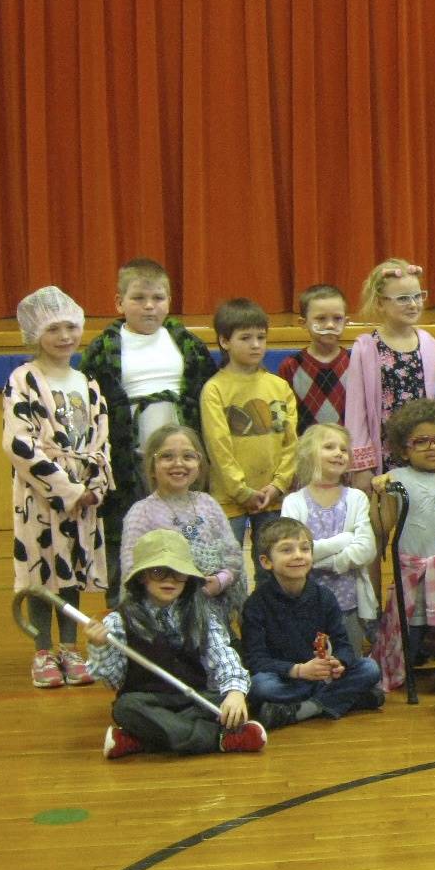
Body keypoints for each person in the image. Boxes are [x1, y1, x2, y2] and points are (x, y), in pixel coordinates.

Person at [83, 257, 217, 603]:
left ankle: (189, 611)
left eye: (157, 298)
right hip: (128, 467)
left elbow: (207, 400)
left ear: (169, 302)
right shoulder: (104, 350)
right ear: (119, 303)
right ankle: (124, 613)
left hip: (180, 467)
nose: (149, 306)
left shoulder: (186, 345)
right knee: (126, 536)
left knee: (184, 536)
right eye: (139, 298)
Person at [4, 286, 112, 687]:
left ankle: (70, 646)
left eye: (71, 326)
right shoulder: (24, 379)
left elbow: (101, 441)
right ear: (35, 333)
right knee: (40, 569)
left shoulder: (88, 382)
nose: (64, 336)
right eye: (54, 328)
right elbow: (19, 443)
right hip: (41, 497)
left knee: (72, 569)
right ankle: (43, 651)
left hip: (83, 499)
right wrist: (66, 488)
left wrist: (94, 487)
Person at [87, 529, 263, 759]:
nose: (170, 580)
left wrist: (235, 692)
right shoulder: (119, 620)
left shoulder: (202, 614)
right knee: (126, 708)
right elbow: (114, 681)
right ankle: (221, 739)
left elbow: (223, 655)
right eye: (159, 572)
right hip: (147, 700)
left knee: (239, 697)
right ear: (142, 576)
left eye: (178, 573)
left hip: (195, 697)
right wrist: (100, 647)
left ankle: (142, 738)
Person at [240, 517, 384, 729]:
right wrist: (298, 670)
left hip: (321, 676)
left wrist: (339, 663)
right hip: (287, 677)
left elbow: (343, 644)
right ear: (266, 562)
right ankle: (346, 699)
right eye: (286, 550)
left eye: (304, 549)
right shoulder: (256, 603)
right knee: (261, 686)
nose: (298, 555)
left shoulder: (324, 596)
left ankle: (301, 710)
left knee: (370, 668)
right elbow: (256, 660)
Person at [372, 400, 435, 680]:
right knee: (411, 626)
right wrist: (379, 495)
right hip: (412, 573)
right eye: (421, 441)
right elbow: (382, 526)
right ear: (404, 449)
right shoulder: (396, 478)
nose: (433, 447)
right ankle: (405, 664)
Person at [200, 298, 298, 580]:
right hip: (230, 498)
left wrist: (278, 484)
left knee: (271, 569)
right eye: (246, 338)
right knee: (228, 571)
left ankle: (264, 623)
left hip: (272, 498)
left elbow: (290, 441)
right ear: (224, 341)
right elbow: (218, 446)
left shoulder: (278, 386)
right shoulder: (215, 389)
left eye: (261, 337)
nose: (256, 345)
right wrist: (241, 490)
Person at [121, 425, 247, 634]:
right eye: (167, 456)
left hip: (214, 616)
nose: (178, 464)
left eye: (188, 456)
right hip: (164, 621)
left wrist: (219, 581)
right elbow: (131, 570)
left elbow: (233, 556)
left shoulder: (208, 504)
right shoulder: (141, 513)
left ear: (199, 463)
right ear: (152, 467)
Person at [342, 259, 435, 481]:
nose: (413, 304)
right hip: (386, 453)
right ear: (380, 303)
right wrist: (361, 467)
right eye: (403, 299)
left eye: (418, 296)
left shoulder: (429, 343)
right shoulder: (366, 348)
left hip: (422, 449)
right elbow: (356, 412)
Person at [281, 425, 378, 653]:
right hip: (304, 603)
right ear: (308, 453)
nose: (338, 453)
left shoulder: (356, 499)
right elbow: (292, 552)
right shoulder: (293, 502)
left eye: (343, 449)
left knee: (350, 662)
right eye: (329, 447)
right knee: (309, 660)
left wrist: (320, 561)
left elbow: (366, 549)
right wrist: (344, 540)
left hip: (348, 603)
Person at [277, 284, 351, 434]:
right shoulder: (291, 366)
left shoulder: (356, 363)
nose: (330, 325)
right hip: (305, 450)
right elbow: (283, 416)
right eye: (321, 319)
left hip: (345, 450)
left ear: (346, 321)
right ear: (303, 323)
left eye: (337, 318)